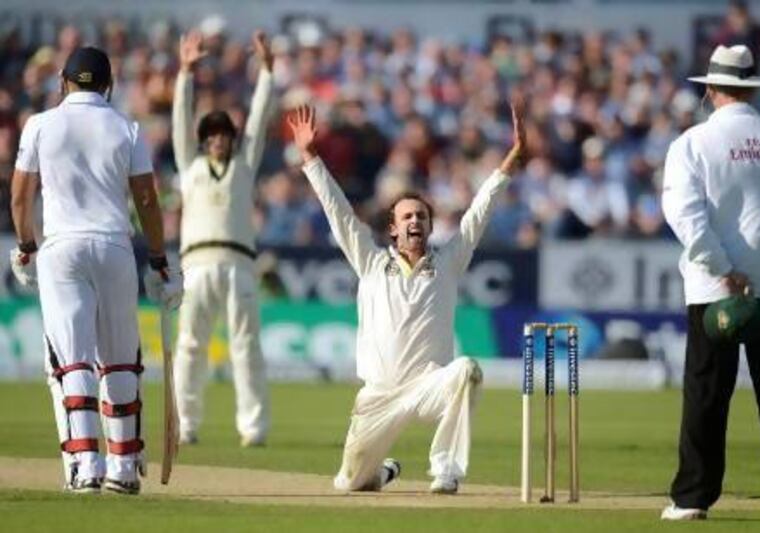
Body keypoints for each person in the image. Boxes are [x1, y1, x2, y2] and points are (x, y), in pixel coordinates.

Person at [287, 101, 527, 494]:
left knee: (467, 369)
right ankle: (383, 471)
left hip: (428, 385)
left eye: (422, 216)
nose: (415, 221)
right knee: (349, 484)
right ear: (393, 229)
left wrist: (511, 160)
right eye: (407, 217)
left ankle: (446, 470)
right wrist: (310, 155)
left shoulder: (448, 262)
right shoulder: (370, 261)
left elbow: (478, 214)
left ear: (431, 226)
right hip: (379, 393)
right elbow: (338, 212)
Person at [9, 46, 182, 494]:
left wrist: (27, 245)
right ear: (108, 85)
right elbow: (147, 199)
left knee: (73, 358)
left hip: (62, 248)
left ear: (64, 82)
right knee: (121, 358)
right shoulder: (127, 126)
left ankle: (86, 465)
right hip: (114, 247)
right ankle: (123, 469)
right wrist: (160, 258)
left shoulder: (40, 125)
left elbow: (20, 196)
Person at [661, 44, 760, 522]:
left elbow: (685, 216)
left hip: (714, 289)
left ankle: (692, 498)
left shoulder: (692, 144)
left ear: (712, 90)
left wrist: (723, 266)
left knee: (706, 392)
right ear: (751, 90)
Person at [172, 30, 273, 447]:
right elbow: (181, 119)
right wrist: (185, 74)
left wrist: (267, 72)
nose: (218, 140)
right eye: (211, 135)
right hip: (196, 265)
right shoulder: (190, 167)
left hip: (239, 265)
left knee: (245, 347)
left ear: (232, 139)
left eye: (224, 135)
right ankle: (187, 423)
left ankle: (253, 428)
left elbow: (260, 120)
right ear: (203, 141)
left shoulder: (244, 166)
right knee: (190, 346)